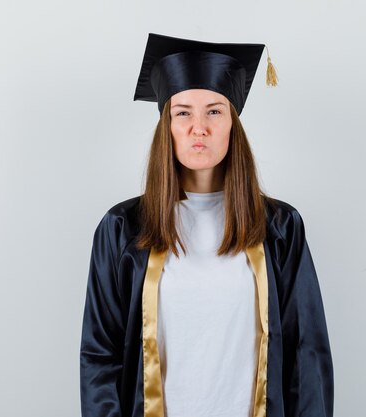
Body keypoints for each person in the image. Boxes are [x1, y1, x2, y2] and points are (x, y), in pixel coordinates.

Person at [79, 33, 334, 417]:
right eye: (183, 112)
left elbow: (307, 351)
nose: (199, 127)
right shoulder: (123, 227)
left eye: (214, 111)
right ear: (167, 126)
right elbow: (101, 355)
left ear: (233, 124)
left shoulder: (279, 227)